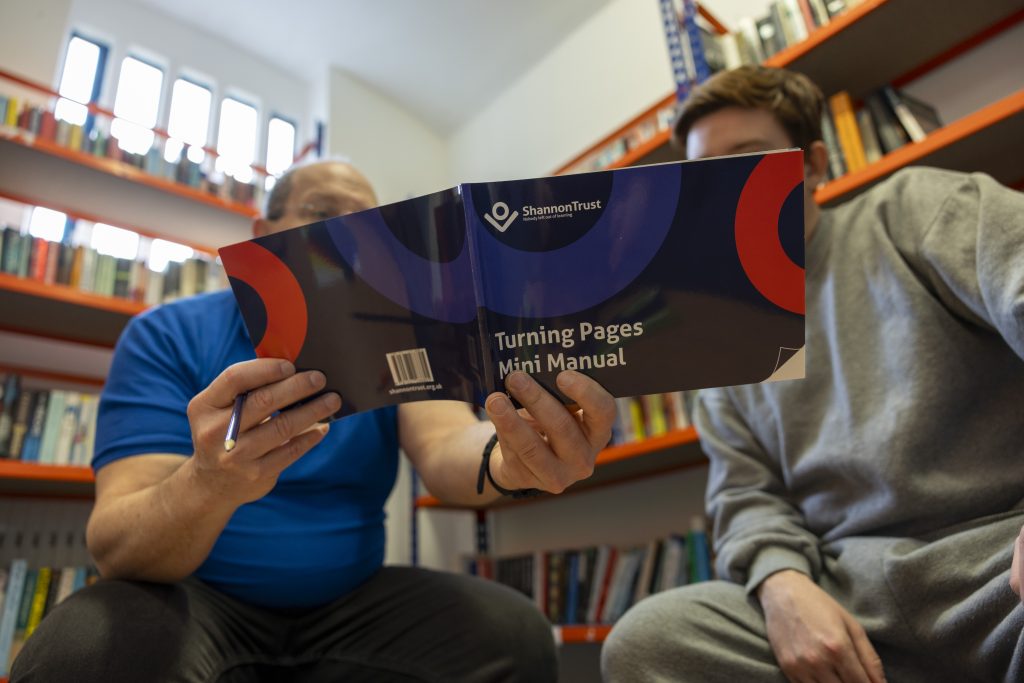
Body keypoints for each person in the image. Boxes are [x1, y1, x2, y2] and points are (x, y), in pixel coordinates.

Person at [12, 160, 617, 683]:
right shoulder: (164, 334)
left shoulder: (402, 335)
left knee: (515, 636)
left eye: (370, 224)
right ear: (262, 232)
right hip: (193, 601)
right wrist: (209, 482)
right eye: (323, 211)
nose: (349, 236)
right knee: (80, 654)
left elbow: (445, 443)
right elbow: (117, 547)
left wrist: (510, 454)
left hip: (353, 605)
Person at [601, 65, 1024, 683]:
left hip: (996, 568)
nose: (722, 192)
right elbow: (745, 496)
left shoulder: (914, 209)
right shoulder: (719, 336)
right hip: (848, 600)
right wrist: (780, 581)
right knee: (648, 643)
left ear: (813, 165)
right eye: (702, 179)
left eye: (745, 159)